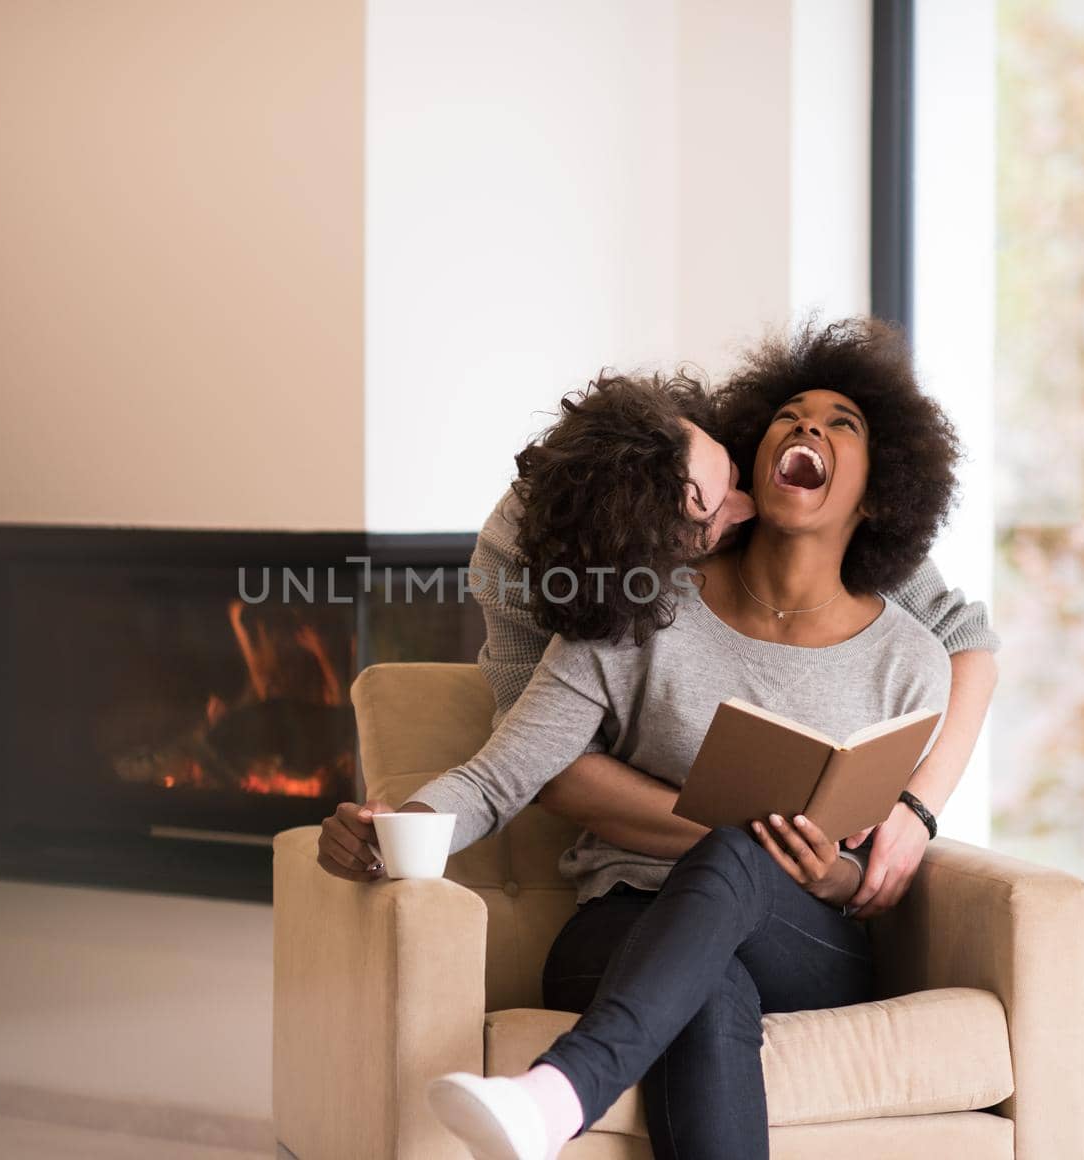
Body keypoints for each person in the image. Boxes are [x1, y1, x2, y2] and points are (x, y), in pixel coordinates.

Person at [325, 318, 968, 1158]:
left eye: (841, 422)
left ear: (880, 494)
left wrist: (839, 868)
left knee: (739, 857)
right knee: (704, 989)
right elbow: (495, 779)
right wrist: (391, 830)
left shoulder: (909, 660)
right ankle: (552, 1101)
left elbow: (859, 870)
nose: (807, 426)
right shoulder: (633, 613)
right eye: (789, 415)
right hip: (621, 922)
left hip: (802, 938)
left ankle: (557, 1096)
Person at [320, 351, 998, 919]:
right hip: (649, 890)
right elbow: (534, 763)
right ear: (643, 566)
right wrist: (390, 833)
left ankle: (557, 1082)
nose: (747, 509)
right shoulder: (532, 572)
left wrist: (917, 808)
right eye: (708, 521)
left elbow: (968, 642)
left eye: (731, 481)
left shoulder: (759, 471)